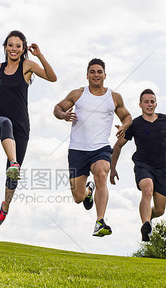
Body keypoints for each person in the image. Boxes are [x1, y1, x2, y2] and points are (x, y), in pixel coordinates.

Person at [54, 58, 132, 237]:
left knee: (102, 173)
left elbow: (127, 117)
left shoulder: (114, 97)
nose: (96, 75)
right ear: (87, 75)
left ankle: (100, 221)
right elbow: (57, 108)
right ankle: (89, 191)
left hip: (101, 148)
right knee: (78, 197)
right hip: (77, 149)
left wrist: (124, 126)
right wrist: (63, 115)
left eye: (99, 72)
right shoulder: (77, 94)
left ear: (105, 75)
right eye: (92, 72)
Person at [0, 30, 57, 226]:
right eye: (10, 45)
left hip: (21, 127)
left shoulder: (27, 66)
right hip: (0, 120)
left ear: (23, 49)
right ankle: (13, 162)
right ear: (5, 47)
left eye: (18, 46)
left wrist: (40, 56)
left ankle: (5, 207)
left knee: (11, 177)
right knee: (5, 124)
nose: (14, 49)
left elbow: (52, 78)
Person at [110, 88, 166, 241]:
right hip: (143, 166)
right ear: (140, 105)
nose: (149, 105)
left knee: (160, 210)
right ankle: (145, 226)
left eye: (152, 101)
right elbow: (117, 146)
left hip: (162, 169)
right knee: (147, 189)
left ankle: (148, 218)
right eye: (146, 102)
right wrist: (113, 168)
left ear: (156, 104)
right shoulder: (134, 124)